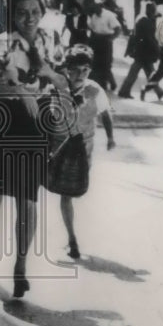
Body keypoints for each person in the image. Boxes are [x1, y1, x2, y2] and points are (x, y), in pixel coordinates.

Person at [0, 0, 67, 299]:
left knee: (27, 198)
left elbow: (64, 83)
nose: (29, 18)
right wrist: (19, 91)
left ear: (42, 12)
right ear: (12, 14)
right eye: (22, 12)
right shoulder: (2, 43)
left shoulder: (51, 40)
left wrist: (49, 75)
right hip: (1, 120)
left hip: (35, 123)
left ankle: (20, 267)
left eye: (35, 11)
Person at [53, 44, 114, 259]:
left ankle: (71, 233)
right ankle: (72, 239)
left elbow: (105, 114)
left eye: (85, 70)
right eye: (75, 69)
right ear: (67, 68)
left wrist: (110, 137)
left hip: (85, 148)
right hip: (60, 147)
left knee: (76, 191)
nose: (80, 74)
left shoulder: (95, 90)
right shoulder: (57, 87)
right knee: (66, 194)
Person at [119, 2, 160, 98]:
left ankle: (159, 91)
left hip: (140, 50)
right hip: (143, 52)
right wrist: (157, 49)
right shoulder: (146, 21)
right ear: (151, 11)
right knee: (135, 73)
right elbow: (149, 38)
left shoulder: (141, 18)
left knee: (150, 72)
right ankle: (124, 91)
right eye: (154, 11)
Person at [86, 1, 121, 93]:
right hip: (96, 40)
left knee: (106, 63)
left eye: (97, 10)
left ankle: (110, 84)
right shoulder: (93, 15)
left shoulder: (109, 15)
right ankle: (103, 84)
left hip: (106, 40)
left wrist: (112, 38)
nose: (95, 12)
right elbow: (91, 28)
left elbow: (118, 28)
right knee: (96, 63)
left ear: (101, 8)